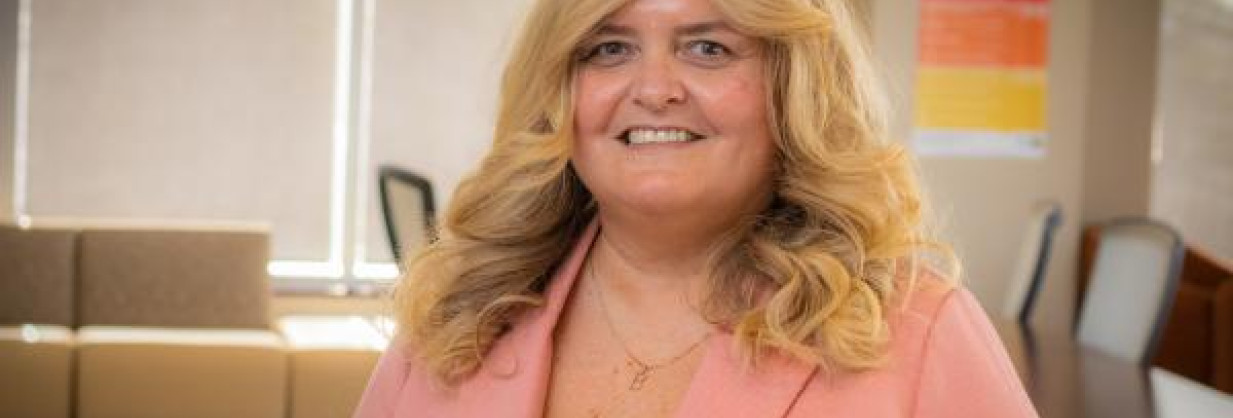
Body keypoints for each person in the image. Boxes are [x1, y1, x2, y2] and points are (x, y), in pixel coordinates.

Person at [355, 0, 1037, 416]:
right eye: (609, 49)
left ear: (791, 88)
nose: (654, 89)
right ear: (560, 91)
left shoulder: (921, 331)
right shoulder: (454, 320)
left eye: (707, 48)